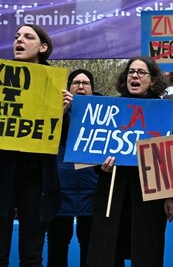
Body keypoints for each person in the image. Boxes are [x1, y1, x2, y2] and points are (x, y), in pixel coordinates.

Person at [86, 57, 173, 267]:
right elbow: (92, 151)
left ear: (153, 80)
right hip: (113, 192)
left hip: (149, 199)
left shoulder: (165, 111)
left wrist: (171, 197)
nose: (134, 76)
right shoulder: (110, 109)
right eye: (131, 72)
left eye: (141, 72)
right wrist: (101, 167)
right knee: (108, 253)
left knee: (146, 253)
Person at [0, 24, 61, 266]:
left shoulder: (57, 84)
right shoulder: (3, 78)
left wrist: (63, 112)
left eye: (27, 36)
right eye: (16, 37)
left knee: (32, 255)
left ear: (43, 47)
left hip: (38, 181)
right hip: (3, 176)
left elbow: (64, 137)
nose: (19, 40)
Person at [47, 69, 100, 267]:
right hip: (61, 192)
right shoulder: (54, 110)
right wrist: (59, 111)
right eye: (76, 82)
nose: (80, 86)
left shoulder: (103, 116)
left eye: (85, 83)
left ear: (92, 90)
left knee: (90, 248)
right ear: (68, 87)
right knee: (57, 246)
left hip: (91, 192)